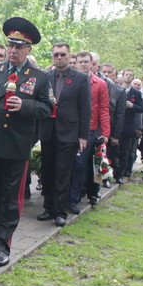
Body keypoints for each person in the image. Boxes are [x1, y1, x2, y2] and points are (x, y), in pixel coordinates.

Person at [0, 17, 52, 267]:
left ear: (29, 50)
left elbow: (48, 108)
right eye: (11, 45)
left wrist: (25, 105)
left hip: (15, 147)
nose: (14, 51)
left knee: (9, 199)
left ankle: (2, 244)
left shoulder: (38, 77)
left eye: (20, 47)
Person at [37, 43, 90, 227]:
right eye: (56, 55)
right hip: (48, 131)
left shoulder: (80, 78)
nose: (59, 58)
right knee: (48, 171)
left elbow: (85, 108)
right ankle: (48, 207)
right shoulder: (46, 77)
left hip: (69, 132)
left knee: (63, 173)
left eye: (62, 55)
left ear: (69, 56)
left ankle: (60, 211)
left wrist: (83, 136)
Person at [71, 52, 110, 210]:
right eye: (80, 62)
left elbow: (104, 109)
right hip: (70, 127)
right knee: (70, 163)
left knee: (81, 164)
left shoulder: (99, 83)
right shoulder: (71, 79)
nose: (83, 64)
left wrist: (105, 133)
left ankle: (74, 198)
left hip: (89, 129)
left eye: (86, 62)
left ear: (92, 63)